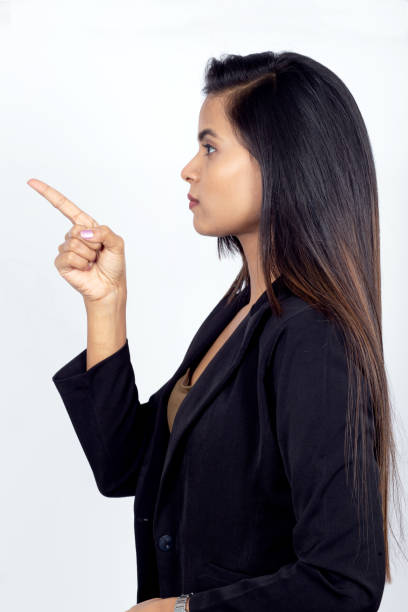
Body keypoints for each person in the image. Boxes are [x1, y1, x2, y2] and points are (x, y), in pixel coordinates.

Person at [28, 51, 405, 612]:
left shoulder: (312, 337)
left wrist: (186, 610)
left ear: (283, 161)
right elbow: (125, 464)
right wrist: (106, 305)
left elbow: (343, 582)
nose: (189, 168)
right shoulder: (241, 311)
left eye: (210, 147)